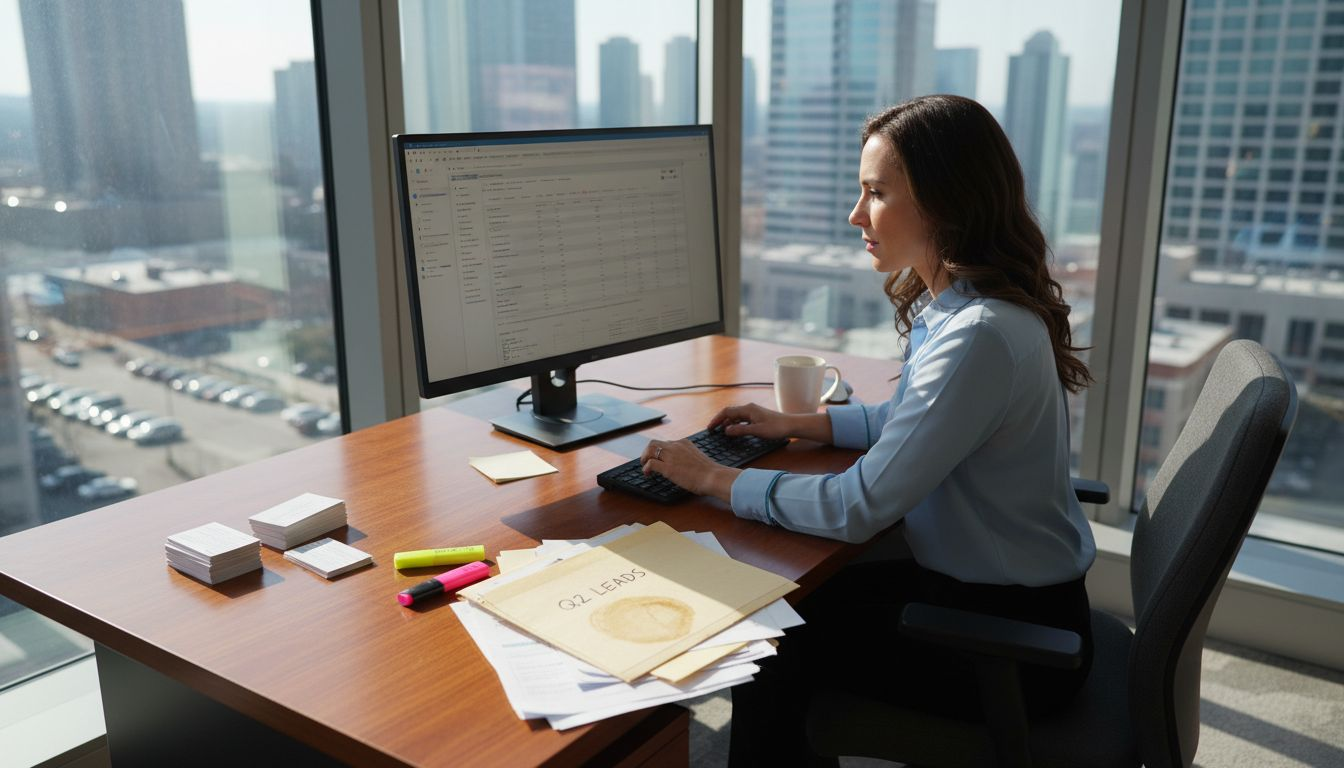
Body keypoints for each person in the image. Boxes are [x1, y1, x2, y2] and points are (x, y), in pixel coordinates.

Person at [639, 95, 1098, 765]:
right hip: (1004, 602)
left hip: (1010, 644)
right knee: (791, 596)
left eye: (876, 193)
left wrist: (710, 476)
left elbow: (857, 507)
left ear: (946, 201)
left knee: (769, 632)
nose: (857, 215)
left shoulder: (978, 337)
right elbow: (916, 424)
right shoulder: (971, 309)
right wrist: (801, 423)